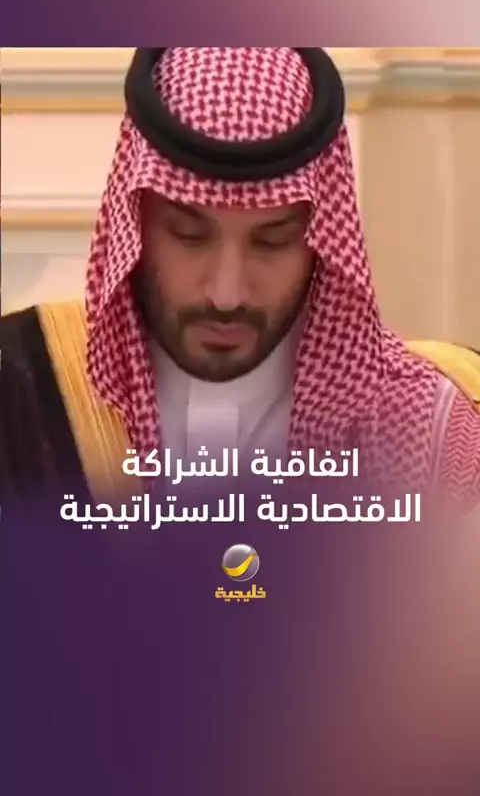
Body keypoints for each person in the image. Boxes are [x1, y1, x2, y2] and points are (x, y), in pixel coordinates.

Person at [1, 46, 480, 508]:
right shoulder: (20, 394)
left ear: (321, 242)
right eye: (189, 236)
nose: (227, 294)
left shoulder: (433, 436)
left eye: (272, 242)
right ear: (135, 221)